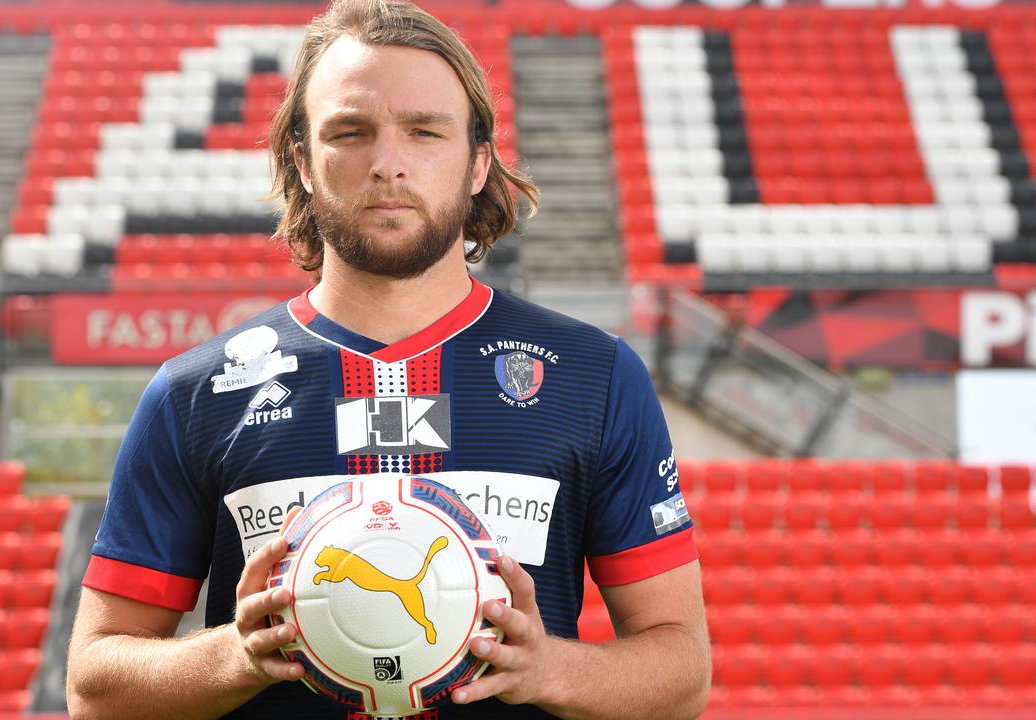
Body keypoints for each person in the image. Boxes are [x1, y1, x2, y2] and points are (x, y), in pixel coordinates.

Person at [65, 1, 710, 718]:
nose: (388, 164)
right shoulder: (196, 393)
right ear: (303, 163)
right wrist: (237, 655)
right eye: (350, 132)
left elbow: (681, 673)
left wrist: (547, 668)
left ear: (477, 163)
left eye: (425, 132)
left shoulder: (594, 377)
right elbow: (94, 689)